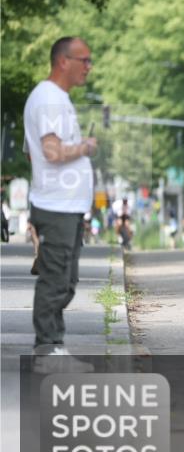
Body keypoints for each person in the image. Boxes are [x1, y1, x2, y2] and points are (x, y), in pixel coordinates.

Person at [22, 36, 98, 373]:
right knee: (56, 280)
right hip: (57, 206)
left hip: (63, 205)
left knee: (65, 280)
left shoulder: (55, 99)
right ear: (62, 61)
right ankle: (47, 350)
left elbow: (31, 151)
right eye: (83, 60)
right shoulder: (48, 99)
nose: (88, 67)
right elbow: (52, 152)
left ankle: (54, 348)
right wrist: (84, 147)